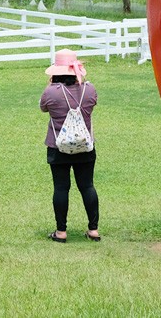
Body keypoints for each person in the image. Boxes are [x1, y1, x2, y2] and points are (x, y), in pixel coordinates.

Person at [40, 48, 100, 243]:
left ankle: (61, 232)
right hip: (85, 146)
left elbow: (43, 108)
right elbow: (92, 105)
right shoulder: (89, 89)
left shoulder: (51, 92)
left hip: (58, 147)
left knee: (61, 188)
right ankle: (93, 230)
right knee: (87, 186)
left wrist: (51, 86)